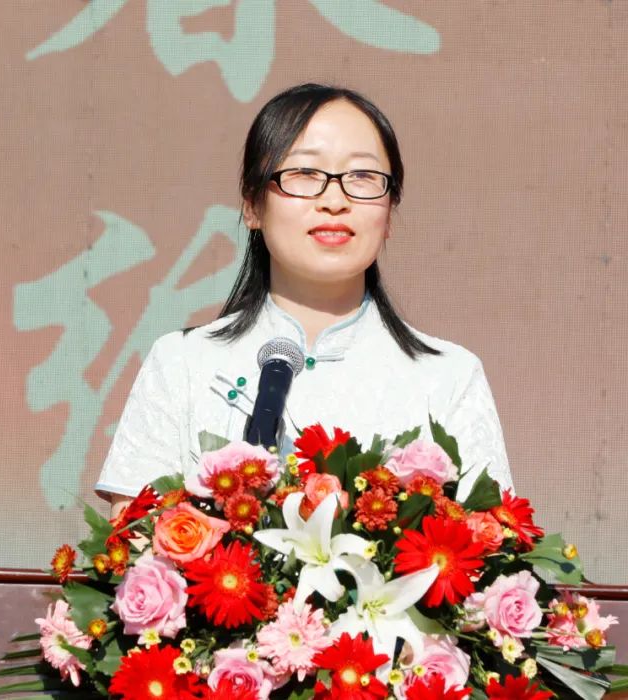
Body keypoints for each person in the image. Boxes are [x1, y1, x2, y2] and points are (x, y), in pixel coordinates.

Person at [96, 84, 512, 518]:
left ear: (389, 211)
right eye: (305, 174)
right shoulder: (181, 363)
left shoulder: (448, 376)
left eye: (362, 176)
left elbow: (493, 542)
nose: (335, 200)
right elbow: (135, 545)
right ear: (253, 206)